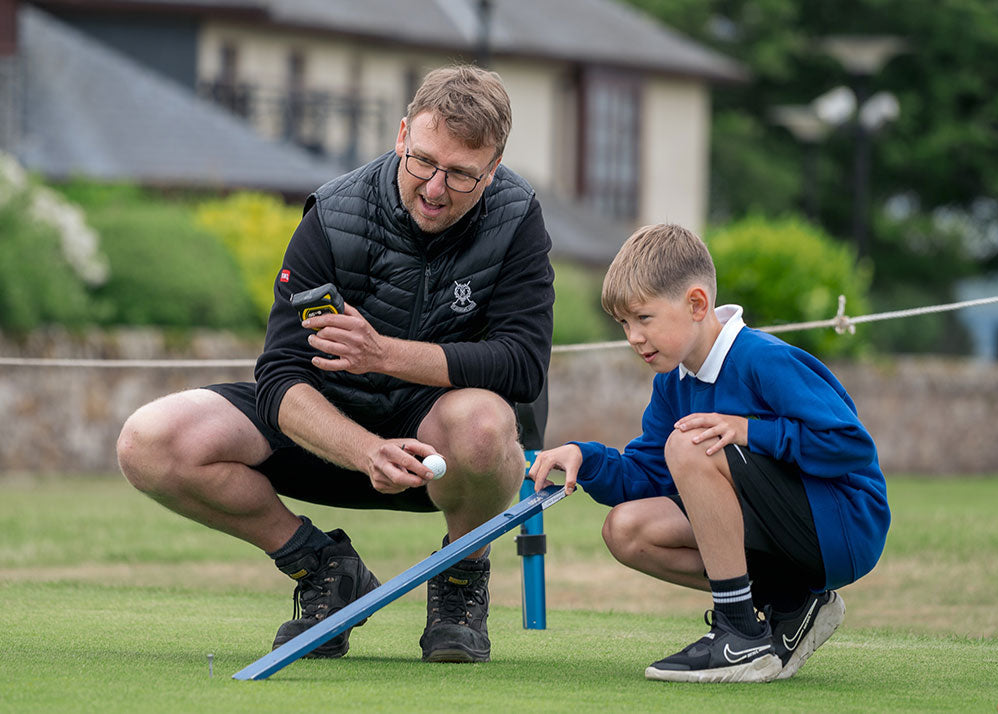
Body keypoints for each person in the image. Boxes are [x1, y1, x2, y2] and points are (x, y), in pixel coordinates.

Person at [117, 65, 554, 664]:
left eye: (460, 174)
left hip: (440, 447)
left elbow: (523, 365)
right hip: (326, 429)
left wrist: (384, 353)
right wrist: (364, 450)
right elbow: (279, 378)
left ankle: (460, 576)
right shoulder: (332, 212)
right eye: (423, 162)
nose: (434, 188)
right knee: (148, 441)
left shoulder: (517, 216)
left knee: (485, 427)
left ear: (493, 168)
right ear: (401, 135)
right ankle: (324, 567)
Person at [528, 223, 889, 683]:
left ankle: (738, 633)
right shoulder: (672, 383)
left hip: (843, 526)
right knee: (626, 529)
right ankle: (790, 600)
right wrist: (586, 459)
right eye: (624, 323)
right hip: (781, 535)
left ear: (697, 304)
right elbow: (650, 477)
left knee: (690, 442)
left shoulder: (762, 358)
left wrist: (748, 431)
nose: (633, 336)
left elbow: (852, 446)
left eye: (643, 318)